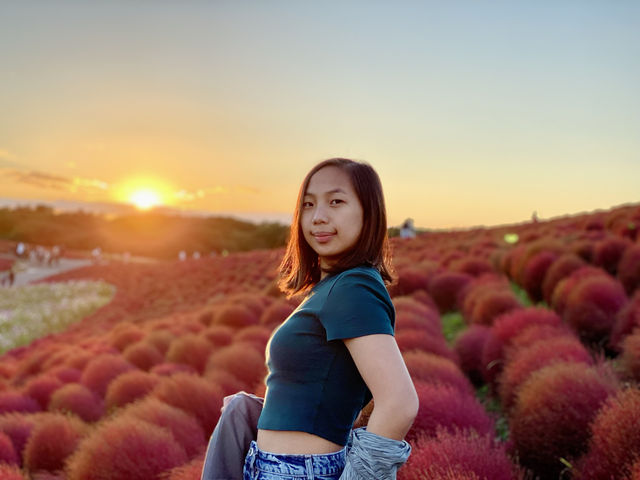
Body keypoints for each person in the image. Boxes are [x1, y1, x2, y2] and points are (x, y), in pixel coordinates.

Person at [202, 158, 418, 480]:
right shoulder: (331, 287)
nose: (318, 217)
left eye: (336, 201)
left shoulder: (353, 287)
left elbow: (399, 403)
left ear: (369, 214)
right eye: (308, 204)